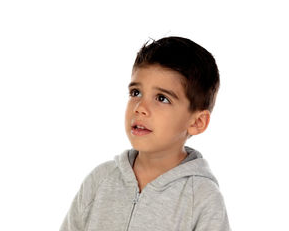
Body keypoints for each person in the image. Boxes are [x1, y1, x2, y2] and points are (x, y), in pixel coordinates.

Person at [60, 36, 231, 231]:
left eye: (161, 98)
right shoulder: (100, 181)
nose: (140, 107)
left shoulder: (202, 198)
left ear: (197, 122)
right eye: (136, 93)